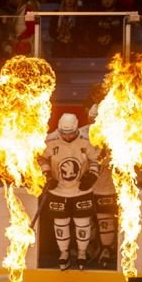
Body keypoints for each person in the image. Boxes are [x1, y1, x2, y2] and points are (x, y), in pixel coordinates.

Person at [40, 113, 101, 270]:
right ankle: (64, 253)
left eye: (71, 133)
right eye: (64, 133)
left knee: (83, 223)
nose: (67, 136)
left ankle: (81, 253)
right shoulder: (49, 140)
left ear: (76, 129)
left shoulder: (87, 140)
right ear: (59, 129)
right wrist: (46, 174)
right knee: (60, 223)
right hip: (58, 191)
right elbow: (41, 158)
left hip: (81, 191)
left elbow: (96, 159)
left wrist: (92, 175)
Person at [80, 104, 117, 269]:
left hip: (106, 185)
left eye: (97, 118)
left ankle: (107, 250)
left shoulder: (114, 134)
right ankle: (87, 248)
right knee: (84, 220)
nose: (94, 121)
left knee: (105, 220)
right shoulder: (79, 133)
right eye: (92, 118)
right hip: (83, 186)